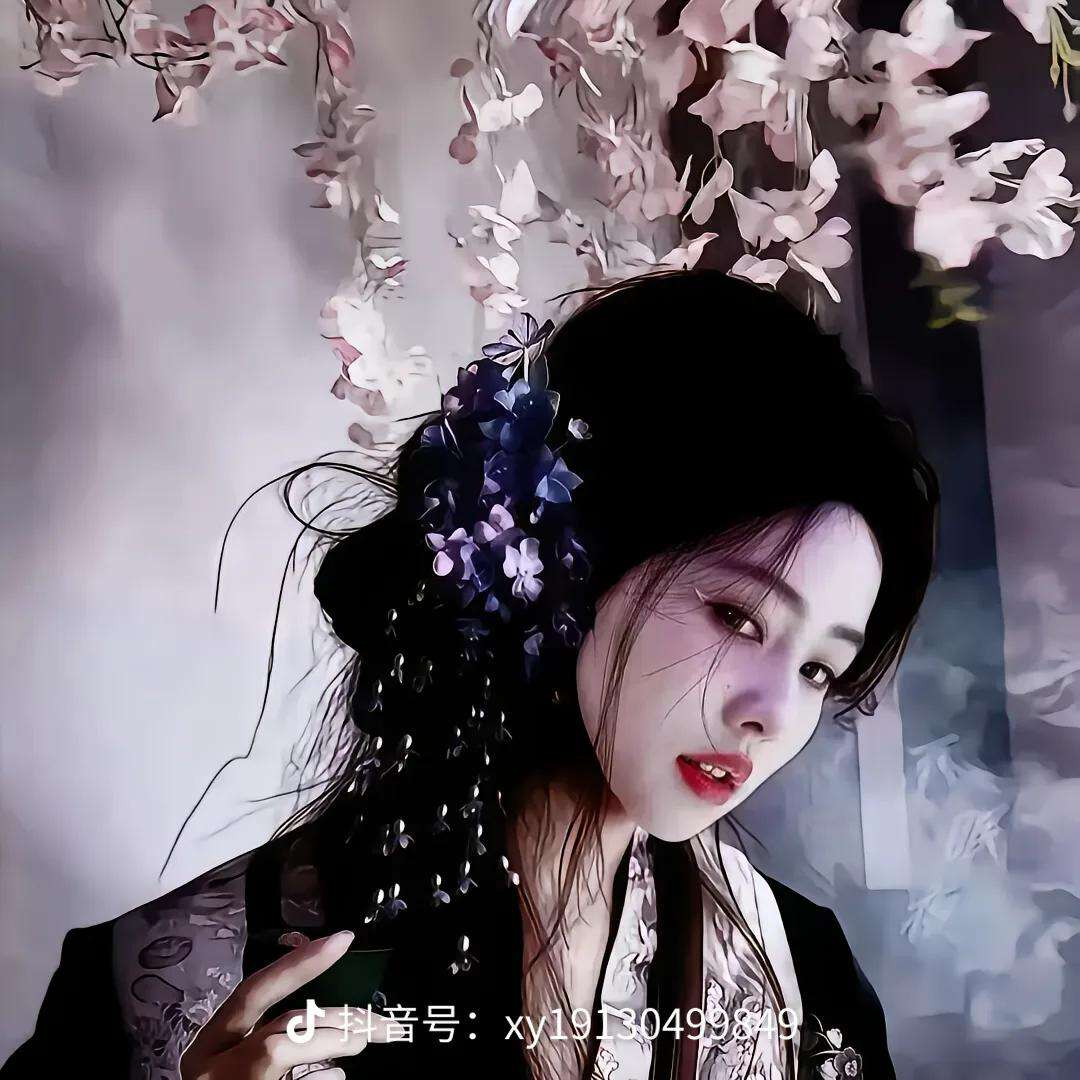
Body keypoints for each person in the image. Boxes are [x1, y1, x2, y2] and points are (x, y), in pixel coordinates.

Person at [2, 270, 938, 1080]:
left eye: (820, 668)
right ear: (571, 559)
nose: (773, 712)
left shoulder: (803, 984)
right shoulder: (175, 973)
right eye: (737, 617)